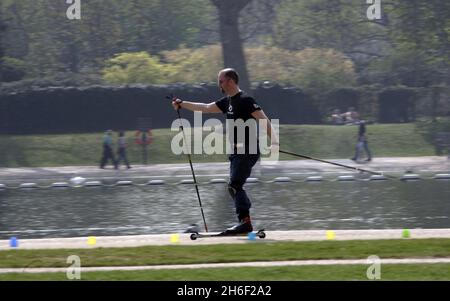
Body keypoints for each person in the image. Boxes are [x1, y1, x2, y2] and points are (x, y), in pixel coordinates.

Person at [171, 68, 278, 234]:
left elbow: (264, 120)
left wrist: (275, 143)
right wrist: (182, 104)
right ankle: (245, 221)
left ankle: (245, 223)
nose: (218, 84)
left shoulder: (246, 99)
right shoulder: (227, 101)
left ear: (231, 81)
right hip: (236, 152)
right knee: (233, 186)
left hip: (248, 149)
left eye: (221, 81)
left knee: (235, 185)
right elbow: (205, 107)